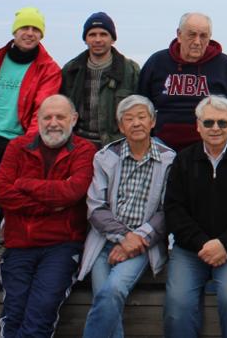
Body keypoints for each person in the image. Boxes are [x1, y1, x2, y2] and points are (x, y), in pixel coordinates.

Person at [0, 94, 96, 338]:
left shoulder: (84, 150)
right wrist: (52, 204)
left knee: (40, 314)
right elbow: (0, 193)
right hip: (20, 245)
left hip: (61, 246)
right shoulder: (17, 147)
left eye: (60, 116)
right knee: (13, 313)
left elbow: (72, 192)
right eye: (47, 117)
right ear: (38, 120)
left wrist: (24, 183)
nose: (53, 122)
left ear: (73, 119)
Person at [163, 95, 227, 338]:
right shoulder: (184, 160)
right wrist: (203, 243)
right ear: (197, 125)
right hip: (191, 250)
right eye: (208, 123)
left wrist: (223, 243)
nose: (215, 129)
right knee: (177, 305)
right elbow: (174, 209)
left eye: (222, 123)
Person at [78, 95, 177, 338]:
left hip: (143, 244)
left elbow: (168, 209)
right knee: (106, 298)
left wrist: (137, 239)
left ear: (152, 121)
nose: (136, 123)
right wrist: (124, 237)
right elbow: (96, 206)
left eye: (142, 117)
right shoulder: (105, 157)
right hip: (105, 241)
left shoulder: (169, 159)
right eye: (129, 119)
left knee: (111, 291)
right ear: (120, 126)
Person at [138, 12, 227, 151]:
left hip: (210, 150)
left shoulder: (225, 66)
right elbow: (140, 106)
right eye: (192, 35)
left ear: (210, 37)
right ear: (179, 35)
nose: (197, 42)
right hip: (161, 149)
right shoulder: (157, 63)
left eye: (203, 36)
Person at [0, 6, 61, 159]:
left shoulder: (49, 70)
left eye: (36, 29)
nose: (30, 33)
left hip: (20, 144)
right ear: (15, 31)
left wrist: (26, 146)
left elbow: (41, 112)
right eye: (24, 27)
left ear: (41, 35)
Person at [61, 12, 142, 148]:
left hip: (117, 144)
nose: (98, 40)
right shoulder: (71, 70)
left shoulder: (131, 70)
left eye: (103, 34)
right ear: (85, 39)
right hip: (77, 143)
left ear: (113, 39)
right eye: (92, 34)